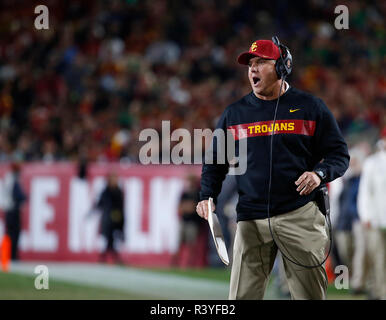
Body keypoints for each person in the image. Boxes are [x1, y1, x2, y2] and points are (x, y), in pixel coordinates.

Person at [196, 38, 350, 300]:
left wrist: (319, 174)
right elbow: (215, 161)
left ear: (282, 67)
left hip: (299, 214)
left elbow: (339, 154)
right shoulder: (235, 113)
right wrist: (206, 196)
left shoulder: (311, 107)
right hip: (250, 219)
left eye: (261, 63)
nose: (253, 69)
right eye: (250, 64)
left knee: (309, 297)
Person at [357, 128, 386, 300]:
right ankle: (380, 291)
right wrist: (365, 215)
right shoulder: (372, 163)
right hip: (375, 219)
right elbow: (365, 192)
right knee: (378, 257)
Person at [172, 174, 206, 267]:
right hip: (184, 222)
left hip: (193, 223)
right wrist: (188, 207)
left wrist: (187, 207)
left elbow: (193, 208)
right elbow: (180, 208)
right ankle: (175, 264)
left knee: (191, 246)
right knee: (179, 244)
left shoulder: (197, 193)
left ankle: (190, 264)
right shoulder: (184, 193)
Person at [95, 172, 125, 264]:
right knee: (109, 239)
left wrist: (121, 222)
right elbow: (100, 204)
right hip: (107, 219)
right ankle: (112, 257)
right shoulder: (106, 191)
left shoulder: (118, 191)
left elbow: (121, 207)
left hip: (116, 219)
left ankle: (104, 257)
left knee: (110, 239)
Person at [2, 162, 27, 260]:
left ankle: (7, 255)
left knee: (9, 233)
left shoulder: (8, 178)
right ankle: (12, 255)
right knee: (14, 234)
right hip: (13, 210)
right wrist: (24, 197)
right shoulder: (13, 179)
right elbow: (17, 194)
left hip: (9, 210)